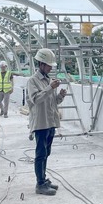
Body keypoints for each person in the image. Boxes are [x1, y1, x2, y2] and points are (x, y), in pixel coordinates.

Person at [26, 48, 66, 196]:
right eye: (49, 65)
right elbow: (36, 99)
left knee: (46, 152)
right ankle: (40, 184)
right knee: (40, 153)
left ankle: (43, 179)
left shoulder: (48, 80)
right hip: (41, 123)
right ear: (41, 64)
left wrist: (60, 96)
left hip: (50, 122)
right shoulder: (33, 81)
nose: (50, 68)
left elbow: (51, 102)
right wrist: (50, 88)